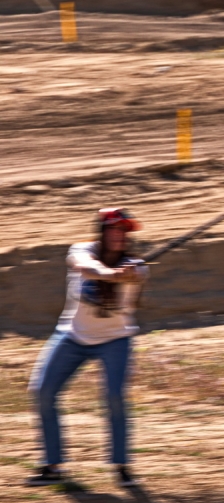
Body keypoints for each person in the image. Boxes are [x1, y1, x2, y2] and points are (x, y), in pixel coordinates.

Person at [26, 208, 150, 488]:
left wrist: (127, 275)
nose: (119, 236)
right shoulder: (81, 250)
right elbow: (84, 266)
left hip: (116, 339)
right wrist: (109, 274)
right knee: (42, 391)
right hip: (72, 336)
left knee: (115, 396)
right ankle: (52, 466)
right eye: (114, 229)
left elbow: (136, 277)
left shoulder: (137, 266)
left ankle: (121, 467)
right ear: (102, 232)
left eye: (124, 231)